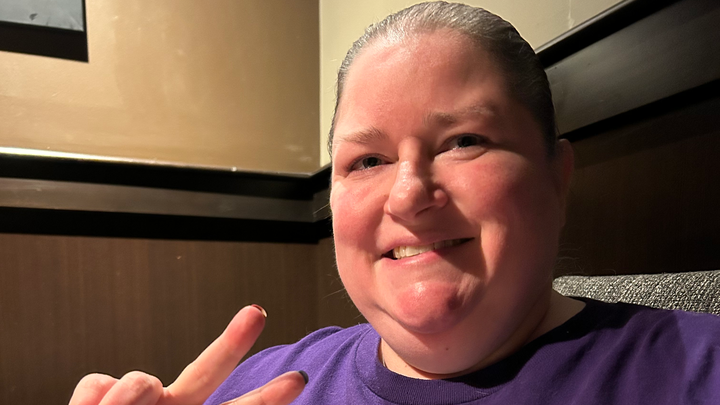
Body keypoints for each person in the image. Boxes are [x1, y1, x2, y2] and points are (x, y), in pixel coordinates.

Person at [69, 2, 720, 405]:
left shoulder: (696, 370)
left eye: (464, 141)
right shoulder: (258, 386)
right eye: (368, 160)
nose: (408, 194)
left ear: (558, 177)